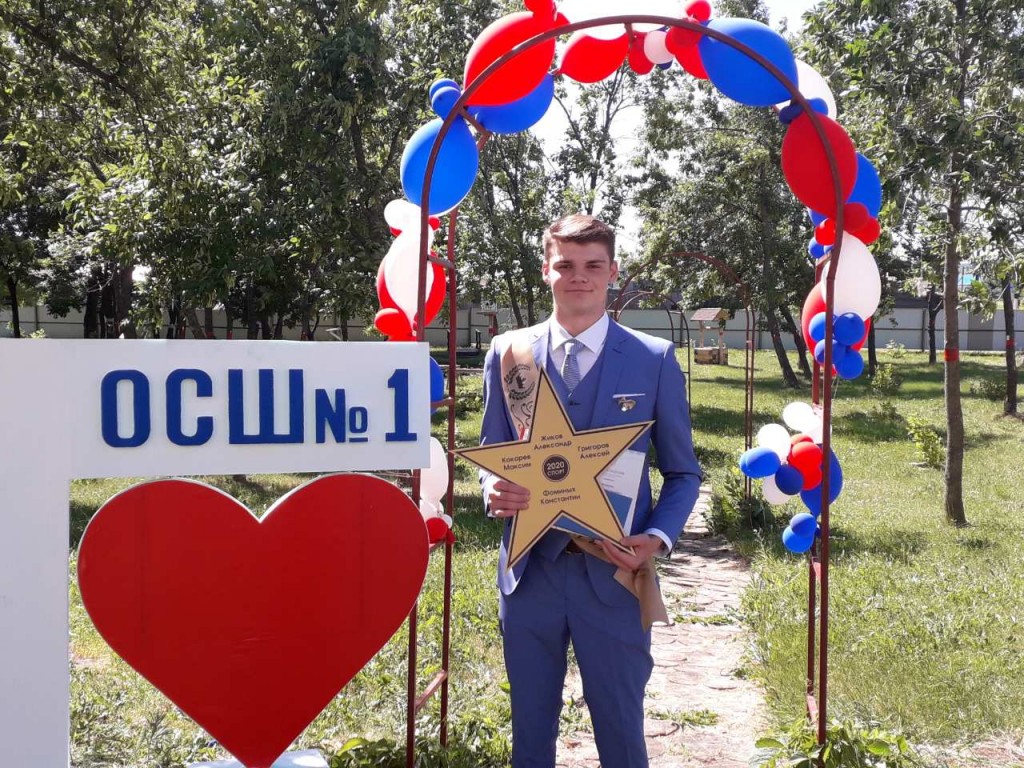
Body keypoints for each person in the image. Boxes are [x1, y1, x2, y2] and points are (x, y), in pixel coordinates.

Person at [478, 214, 703, 768]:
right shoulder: (509, 354)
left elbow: (683, 473)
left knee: (622, 732)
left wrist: (658, 537)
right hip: (530, 574)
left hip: (615, 575)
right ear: (546, 270)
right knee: (529, 733)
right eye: (565, 265)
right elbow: (492, 452)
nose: (578, 276)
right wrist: (492, 489)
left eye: (592, 265)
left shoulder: (652, 359)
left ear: (612, 272)